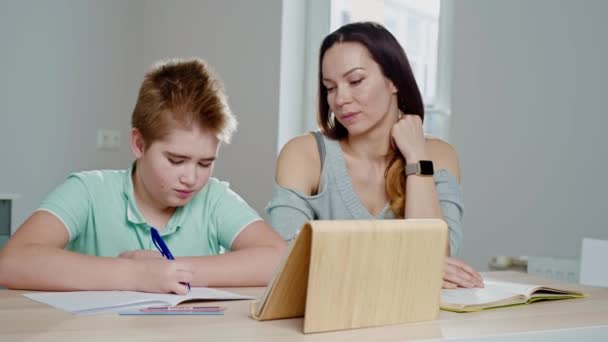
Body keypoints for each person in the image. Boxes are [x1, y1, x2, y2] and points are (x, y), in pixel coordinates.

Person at [0, 58, 286, 294]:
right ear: (139, 144)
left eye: (205, 163)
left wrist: (170, 271)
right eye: (176, 160)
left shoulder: (214, 198)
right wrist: (134, 274)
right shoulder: (87, 191)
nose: (192, 178)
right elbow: (13, 262)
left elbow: (279, 259)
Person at [267, 22, 483, 289]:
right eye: (330, 87)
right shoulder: (304, 154)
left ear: (394, 80)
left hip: (412, 322)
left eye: (355, 81)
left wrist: (416, 158)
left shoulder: (438, 155)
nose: (340, 99)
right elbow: (288, 262)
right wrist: (406, 263)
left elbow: (435, 259)